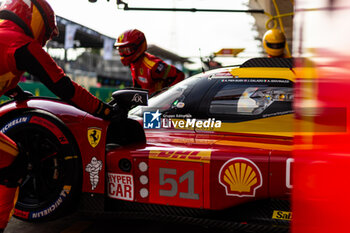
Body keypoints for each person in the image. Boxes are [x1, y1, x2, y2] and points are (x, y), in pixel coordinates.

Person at [0, 0, 118, 231]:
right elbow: (65, 88)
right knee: (15, 163)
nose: (45, 38)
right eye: (46, 31)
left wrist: (13, 90)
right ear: (34, 19)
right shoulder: (20, 44)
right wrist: (105, 111)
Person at [114, 29, 185, 95]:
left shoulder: (153, 65)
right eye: (121, 51)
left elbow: (180, 75)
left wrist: (167, 95)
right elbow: (138, 88)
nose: (123, 54)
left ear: (137, 47)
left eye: (126, 50)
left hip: (160, 105)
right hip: (149, 104)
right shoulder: (134, 64)